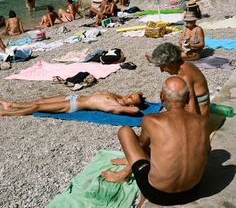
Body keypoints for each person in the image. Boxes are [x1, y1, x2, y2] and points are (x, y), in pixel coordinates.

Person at [102, 76, 210, 206]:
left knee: (125, 131)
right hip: (193, 191)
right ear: (187, 98)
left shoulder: (151, 120)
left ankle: (124, 175)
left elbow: (141, 145)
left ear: (161, 96)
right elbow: (207, 150)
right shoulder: (203, 121)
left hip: (157, 194)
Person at [146, 42, 210, 116]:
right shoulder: (187, 65)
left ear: (171, 63)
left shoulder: (185, 77)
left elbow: (192, 112)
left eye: (162, 66)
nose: (162, 70)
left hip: (201, 117)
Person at [0, 91, 145, 117]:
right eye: (131, 94)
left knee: (37, 108)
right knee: (40, 100)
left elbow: (136, 111)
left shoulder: (117, 107)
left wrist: (132, 106)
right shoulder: (117, 97)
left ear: (131, 105)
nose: (129, 96)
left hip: (72, 106)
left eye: (132, 98)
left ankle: (5, 113)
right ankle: (11, 104)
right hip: (73, 97)